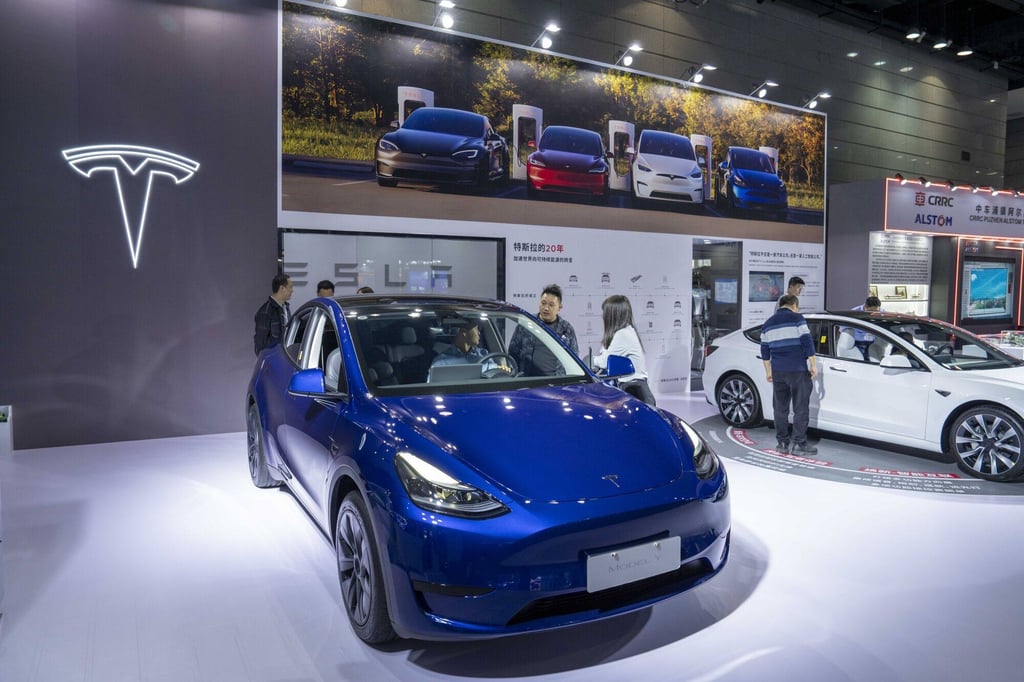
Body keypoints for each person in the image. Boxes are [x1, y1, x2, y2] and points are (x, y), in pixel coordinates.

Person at [761, 293, 818, 455]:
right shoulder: (797, 318)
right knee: (800, 408)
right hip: (798, 370)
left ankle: (782, 444)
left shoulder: (768, 323)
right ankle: (799, 444)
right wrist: (813, 365)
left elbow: (765, 351)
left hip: (778, 371)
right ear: (794, 305)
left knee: (780, 409)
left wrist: (768, 372)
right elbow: (807, 342)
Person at [593, 295, 654, 405]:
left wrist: (590, 360)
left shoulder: (623, 335)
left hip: (634, 391)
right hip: (635, 391)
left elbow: (605, 361)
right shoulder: (625, 331)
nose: (602, 316)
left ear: (612, 315)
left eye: (605, 312)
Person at [508, 283, 579, 376]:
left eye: (551, 305)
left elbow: (574, 359)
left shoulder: (566, 329)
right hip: (527, 381)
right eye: (543, 303)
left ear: (559, 307)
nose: (546, 308)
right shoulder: (527, 324)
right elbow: (513, 353)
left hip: (557, 382)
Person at [429, 319, 508, 377]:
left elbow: (494, 371)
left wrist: (501, 369)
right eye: (476, 329)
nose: (479, 333)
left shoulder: (484, 354)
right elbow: (432, 388)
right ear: (464, 332)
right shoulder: (441, 362)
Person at [253, 273, 293, 356]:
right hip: (274, 360)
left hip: (285, 358)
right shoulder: (265, 312)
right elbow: (260, 345)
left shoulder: (286, 308)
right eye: (290, 287)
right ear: (282, 288)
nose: (292, 290)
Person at [850, 295, 883, 360]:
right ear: (865, 307)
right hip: (859, 343)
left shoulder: (882, 312)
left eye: (876, 311)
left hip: (875, 343)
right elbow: (845, 329)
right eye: (871, 311)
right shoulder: (854, 312)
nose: (873, 313)